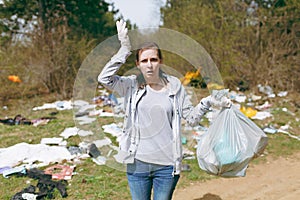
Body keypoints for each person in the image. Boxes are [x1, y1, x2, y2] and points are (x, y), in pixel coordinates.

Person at [98, 20, 231, 200]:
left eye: (153, 59)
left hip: (167, 166)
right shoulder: (130, 85)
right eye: (144, 60)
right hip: (138, 165)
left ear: (160, 61)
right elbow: (104, 78)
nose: (149, 64)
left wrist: (207, 102)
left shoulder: (174, 85)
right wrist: (124, 49)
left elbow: (191, 118)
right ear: (138, 64)